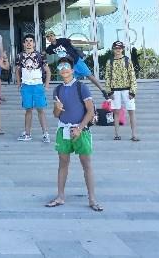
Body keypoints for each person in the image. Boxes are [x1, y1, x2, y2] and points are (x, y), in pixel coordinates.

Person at [46, 56, 103, 212]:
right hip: (63, 129)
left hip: (81, 131)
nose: (63, 69)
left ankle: (92, 198)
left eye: (66, 66)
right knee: (63, 163)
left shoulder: (81, 87)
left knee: (86, 164)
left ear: (72, 70)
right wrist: (57, 107)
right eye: (60, 66)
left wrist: (79, 128)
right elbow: (56, 114)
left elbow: (90, 110)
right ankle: (60, 196)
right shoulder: (57, 90)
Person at [45, 30, 107, 97]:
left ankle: (103, 90)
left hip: (77, 61)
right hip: (69, 66)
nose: (50, 37)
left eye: (51, 35)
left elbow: (75, 41)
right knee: (71, 82)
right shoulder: (50, 48)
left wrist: (90, 42)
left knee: (89, 75)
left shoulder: (62, 41)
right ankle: (74, 98)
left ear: (54, 36)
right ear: (47, 39)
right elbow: (43, 53)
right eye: (48, 37)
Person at [16, 34, 51, 142]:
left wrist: (47, 84)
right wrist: (19, 83)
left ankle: (45, 134)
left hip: (38, 85)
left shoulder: (40, 55)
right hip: (26, 86)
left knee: (40, 109)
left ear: (34, 43)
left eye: (31, 41)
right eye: (26, 41)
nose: (29, 43)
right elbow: (17, 70)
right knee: (28, 110)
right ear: (23, 43)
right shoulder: (20, 55)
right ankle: (27, 134)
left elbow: (48, 71)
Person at [104, 41, 139, 141]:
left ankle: (134, 135)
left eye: (119, 48)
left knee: (131, 111)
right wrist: (109, 91)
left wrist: (133, 91)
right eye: (116, 48)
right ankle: (116, 134)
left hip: (127, 89)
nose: (118, 50)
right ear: (113, 49)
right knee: (116, 112)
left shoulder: (127, 60)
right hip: (115, 90)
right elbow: (107, 77)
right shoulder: (109, 61)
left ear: (122, 49)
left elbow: (132, 75)